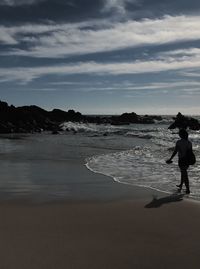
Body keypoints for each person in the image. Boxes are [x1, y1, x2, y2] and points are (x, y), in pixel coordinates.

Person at [166, 129, 192, 194]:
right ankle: (181, 184)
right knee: (183, 172)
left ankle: (188, 189)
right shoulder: (189, 142)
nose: (179, 134)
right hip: (187, 160)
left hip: (181, 160)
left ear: (181, 135)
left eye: (179, 134)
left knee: (184, 174)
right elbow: (190, 153)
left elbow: (175, 151)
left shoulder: (179, 142)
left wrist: (170, 159)